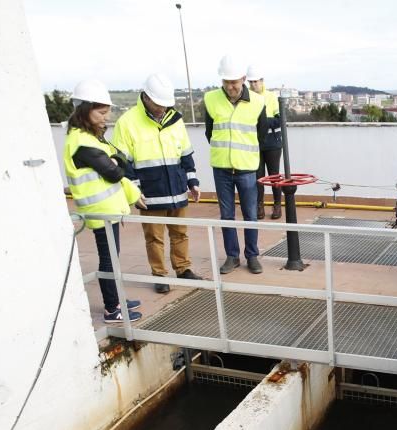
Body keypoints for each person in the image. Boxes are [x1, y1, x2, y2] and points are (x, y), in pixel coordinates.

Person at [111, 73, 203, 294]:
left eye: (166, 104)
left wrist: (193, 181)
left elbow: (185, 153)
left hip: (177, 189)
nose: (162, 108)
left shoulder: (175, 119)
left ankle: (183, 269)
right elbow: (123, 161)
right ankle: (160, 275)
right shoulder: (127, 122)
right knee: (154, 237)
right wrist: (134, 191)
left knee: (180, 233)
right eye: (159, 104)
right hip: (150, 192)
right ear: (146, 97)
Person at [63, 80, 144, 323]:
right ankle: (112, 309)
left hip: (107, 210)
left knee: (113, 257)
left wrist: (116, 160)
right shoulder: (82, 142)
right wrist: (117, 161)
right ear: (83, 110)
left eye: (106, 110)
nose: (105, 116)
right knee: (109, 260)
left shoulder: (91, 138)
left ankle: (117, 299)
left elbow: (120, 160)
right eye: (100, 111)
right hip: (100, 212)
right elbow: (116, 171)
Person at [204, 55, 268, 274]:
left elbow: (262, 134)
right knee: (226, 214)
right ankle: (232, 256)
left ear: (243, 79)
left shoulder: (258, 102)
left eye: (234, 81)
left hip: (247, 168)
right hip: (221, 168)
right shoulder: (211, 99)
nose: (230, 86)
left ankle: (252, 256)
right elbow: (209, 132)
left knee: (250, 214)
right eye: (226, 82)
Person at [246, 65, 282, 220]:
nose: (253, 85)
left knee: (274, 176)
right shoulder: (247, 98)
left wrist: (262, 122)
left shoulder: (271, 96)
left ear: (262, 81)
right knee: (258, 177)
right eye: (251, 82)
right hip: (255, 142)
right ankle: (259, 206)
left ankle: (277, 205)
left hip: (272, 142)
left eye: (256, 81)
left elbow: (279, 120)